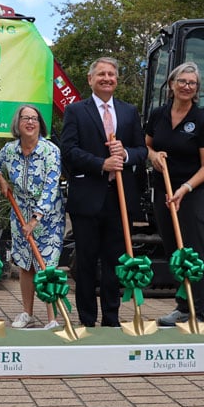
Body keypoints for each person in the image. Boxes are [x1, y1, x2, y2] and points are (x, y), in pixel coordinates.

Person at [60, 57, 147, 328]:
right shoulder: (76, 111)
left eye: (111, 74)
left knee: (115, 262)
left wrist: (127, 154)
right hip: (87, 199)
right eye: (101, 74)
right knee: (86, 262)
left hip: (120, 200)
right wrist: (101, 164)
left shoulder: (129, 111)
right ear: (90, 79)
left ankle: (111, 320)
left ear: (117, 80)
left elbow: (142, 150)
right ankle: (86, 321)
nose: (107, 78)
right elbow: (69, 152)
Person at [145, 62, 204, 326]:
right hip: (163, 191)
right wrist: (153, 156)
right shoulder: (158, 114)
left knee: (194, 252)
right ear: (172, 85)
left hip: (191, 193)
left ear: (196, 89)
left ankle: (199, 312)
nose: (187, 86)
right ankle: (182, 307)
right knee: (174, 250)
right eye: (183, 81)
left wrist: (185, 188)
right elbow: (148, 144)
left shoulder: (203, 120)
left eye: (192, 83)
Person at [0, 105, 65, 329]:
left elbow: (50, 187)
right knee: (26, 265)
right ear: (17, 123)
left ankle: (52, 318)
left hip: (47, 219)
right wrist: (1, 180)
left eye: (34, 119)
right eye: (25, 118)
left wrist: (35, 220)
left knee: (47, 266)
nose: (30, 122)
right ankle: (27, 313)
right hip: (19, 215)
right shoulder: (9, 150)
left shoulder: (50, 150)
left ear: (40, 124)